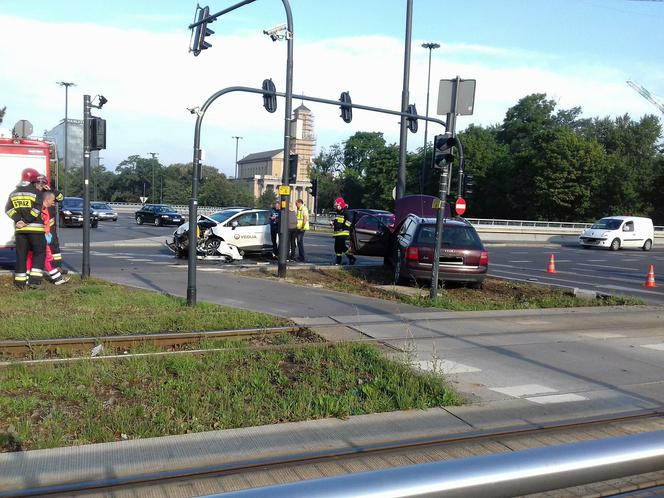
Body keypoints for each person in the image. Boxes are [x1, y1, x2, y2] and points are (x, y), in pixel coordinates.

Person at [5, 168, 46, 288]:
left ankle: (20, 282)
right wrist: (26, 220)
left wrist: (18, 220)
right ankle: (34, 281)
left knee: (21, 255)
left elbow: (8, 209)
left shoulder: (13, 193)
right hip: (36, 231)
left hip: (20, 231)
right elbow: (37, 210)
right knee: (39, 253)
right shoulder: (36, 193)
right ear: (33, 180)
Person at [26, 191, 69, 285]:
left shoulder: (41, 207)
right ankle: (57, 278)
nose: (53, 202)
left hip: (32, 236)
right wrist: (46, 234)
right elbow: (42, 223)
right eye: (53, 200)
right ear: (48, 200)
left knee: (30, 257)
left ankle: (27, 278)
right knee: (48, 257)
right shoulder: (42, 209)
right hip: (39, 237)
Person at [332, 197, 356, 265]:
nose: (336, 207)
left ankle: (339, 261)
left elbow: (349, 221)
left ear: (341, 205)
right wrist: (333, 223)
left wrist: (343, 227)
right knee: (338, 247)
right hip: (337, 232)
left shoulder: (346, 212)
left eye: (337, 206)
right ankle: (351, 258)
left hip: (343, 232)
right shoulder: (338, 212)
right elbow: (337, 221)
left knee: (340, 246)